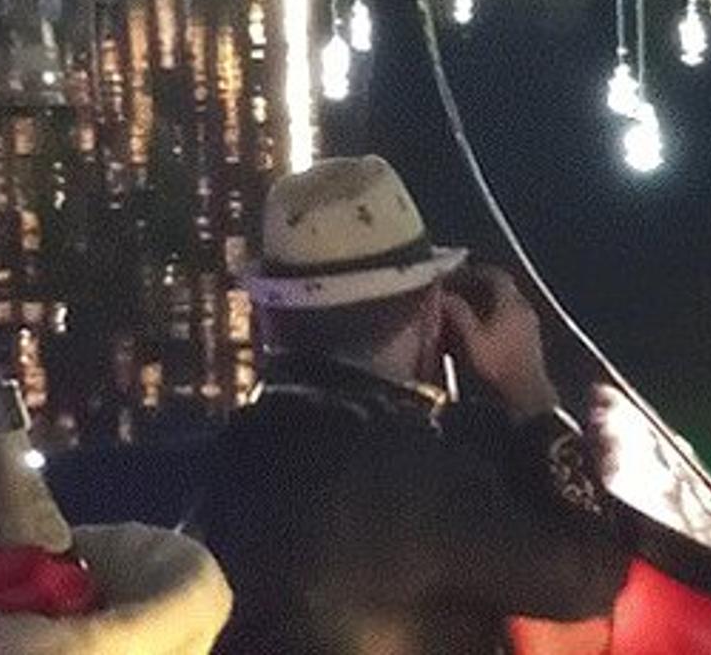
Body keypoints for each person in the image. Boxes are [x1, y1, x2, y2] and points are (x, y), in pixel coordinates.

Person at [197, 156, 628, 655]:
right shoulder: (410, 472)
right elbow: (592, 574)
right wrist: (529, 386)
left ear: (269, 320)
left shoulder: (233, 450)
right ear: (432, 311)